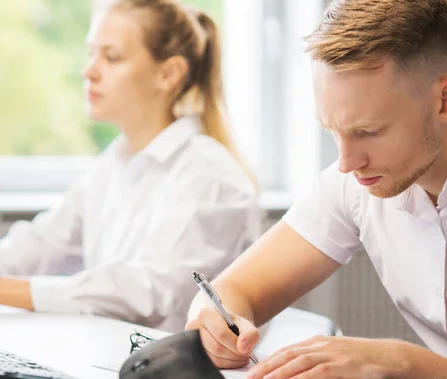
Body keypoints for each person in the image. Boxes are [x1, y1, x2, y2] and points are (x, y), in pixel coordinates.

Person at [185, 0, 447, 377]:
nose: (347, 162)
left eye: (368, 131)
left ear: (446, 100)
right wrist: (213, 318)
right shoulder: (355, 180)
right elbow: (235, 290)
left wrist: (400, 364)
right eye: (333, 131)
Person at [0, 0, 259, 333]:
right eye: (91, 53)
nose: (88, 71)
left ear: (168, 74)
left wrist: (6, 290)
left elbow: (145, 293)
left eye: (111, 57)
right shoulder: (114, 164)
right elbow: (41, 243)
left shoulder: (212, 176)